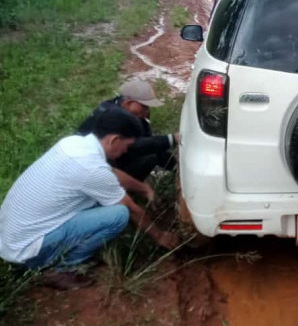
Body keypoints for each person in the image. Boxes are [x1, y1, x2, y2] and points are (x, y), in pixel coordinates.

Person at [0, 108, 179, 290]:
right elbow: (130, 208)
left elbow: (109, 172)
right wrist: (159, 236)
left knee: (102, 200)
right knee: (119, 215)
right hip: (27, 249)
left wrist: (143, 188)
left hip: (12, 235)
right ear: (114, 140)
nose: (125, 151)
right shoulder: (90, 169)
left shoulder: (74, 144)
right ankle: (61, 268)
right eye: (126, 145)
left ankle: (59, 253)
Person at [78, 80, 179, 182]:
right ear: (127, 103)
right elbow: (133, 146)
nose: (147, 111)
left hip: (114, 158)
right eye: (144, 106)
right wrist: (171, 139)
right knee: (153, 155)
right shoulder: (113, 116)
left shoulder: (128, 110)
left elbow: (146, 138)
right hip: (97, 169)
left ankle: (178, 171)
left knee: (155, 149)